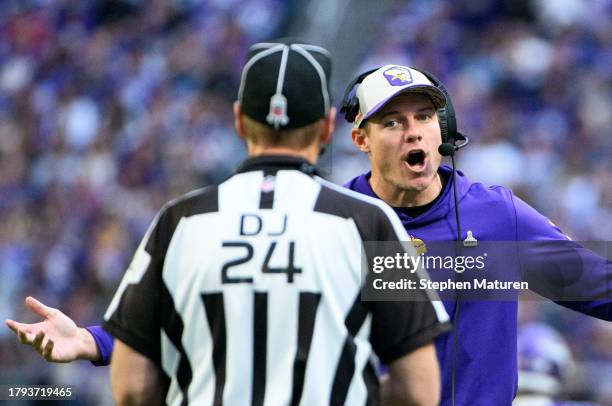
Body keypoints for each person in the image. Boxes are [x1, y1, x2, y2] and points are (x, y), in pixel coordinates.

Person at [6, 45, 450, 405]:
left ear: (239, 120)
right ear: (326, 128)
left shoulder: (180, 222)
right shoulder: (369, 221)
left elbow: (132, 386)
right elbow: (418, 388)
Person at [339, 64, 612, 405]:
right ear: (361, 139)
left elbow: (601, 286)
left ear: (444, 130)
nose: (413, 132)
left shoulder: (499, 217)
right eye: (392, 122)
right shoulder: (333, 222)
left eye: (424, 117)